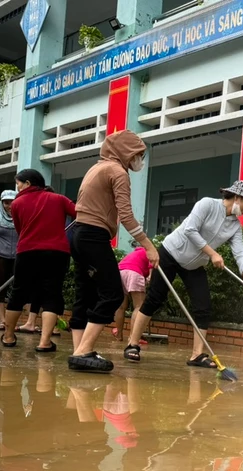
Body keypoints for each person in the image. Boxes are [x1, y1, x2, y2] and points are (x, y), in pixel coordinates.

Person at [124, 180, 243, 366]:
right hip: (171, 253)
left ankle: (197, 355)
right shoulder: (207, 204)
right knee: (155, 298)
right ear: (237, 197)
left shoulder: (234, 225)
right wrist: (212, 254)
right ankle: (133, 344)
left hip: (194, 265)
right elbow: (190, 230)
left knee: (203, 306)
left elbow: (239, 251)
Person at [71, 130, 159, 372]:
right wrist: (148, 245)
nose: (139, 160)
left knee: (85, 293)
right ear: (126, 152)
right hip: (93, 235)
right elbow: (127, 215)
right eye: (138, 154)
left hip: (78, 234)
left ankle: (79, 352)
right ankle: (84, 351)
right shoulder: (118, 172)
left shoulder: (96, 168)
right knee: (112, 294)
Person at [2, 169, 76, 353]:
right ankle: (44, 342)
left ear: (28, 183)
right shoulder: (58, 199)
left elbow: (20, 230)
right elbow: (78, 213)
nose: (17, 188)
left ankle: (9, 336)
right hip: (57, 253)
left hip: (27, 251)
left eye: (18, 184)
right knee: (52, 294)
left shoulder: (17, 204)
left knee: (18, 293)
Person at [0, 189, 41, 333]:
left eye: (12, 202)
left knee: (25, 287)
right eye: (6, 202)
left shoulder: (24, 217)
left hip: (21, 257)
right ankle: (3, 321)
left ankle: (29, 322)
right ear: (1, 203)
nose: (9, 205)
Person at [112, 244, 153, 342]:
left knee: (121, 307)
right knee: (139, 306)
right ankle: (132, 337)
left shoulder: (134, 253)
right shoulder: (150, 252)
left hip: (120, 272)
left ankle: (119, 335)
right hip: (134, 272)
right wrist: (149, 279)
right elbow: (151, 271)